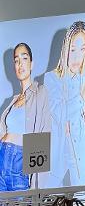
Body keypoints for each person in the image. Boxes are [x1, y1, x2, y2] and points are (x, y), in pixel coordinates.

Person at [44, 20, 85, 186]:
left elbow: (82, 121)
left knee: (82, 199)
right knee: (49, 196)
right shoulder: (51, 78)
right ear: (65, 49)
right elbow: (60, 113)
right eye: (73, 49)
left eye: (82, 50)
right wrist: (83, 96)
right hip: (56, 153)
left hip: (81, 153)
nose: (77, 57)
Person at [0, 42, 51, 191]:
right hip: (2, 164)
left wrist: (36, 188)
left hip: (19, 169)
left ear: (31, 64)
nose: (20, 64)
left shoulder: (40, 92)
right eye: (16, 60)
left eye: (24, 58)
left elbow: (42, 137)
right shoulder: (13, 101)